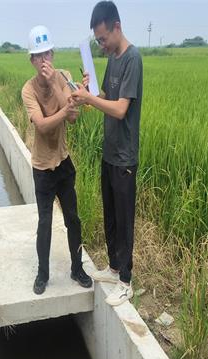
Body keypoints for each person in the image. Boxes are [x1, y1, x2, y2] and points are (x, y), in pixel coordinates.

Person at [71, 1, 143, 306]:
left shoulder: (132, 59)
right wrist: (88, 92)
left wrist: (90, 99)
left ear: (117, 27)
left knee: (124, 219)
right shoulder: (113, 58)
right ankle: (113, 268)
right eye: (97, 41)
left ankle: (125, 281)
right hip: (110, 151)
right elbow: (106, 97)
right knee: (111, 214)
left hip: (125, 156)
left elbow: (120, 108)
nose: (101, 45)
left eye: (103, 39)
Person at [21, 25, 93, 295]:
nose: (44, 61)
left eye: (47, 54)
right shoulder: (28, 90)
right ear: (32, 60)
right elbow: (41, 125)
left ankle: (77, 268)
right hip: (42, 167)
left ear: (53, 54)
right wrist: (66, 107)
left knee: (73, 218)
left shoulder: (64, 77)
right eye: (38, 56)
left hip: (63, 161)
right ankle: (42, 274)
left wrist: (57, 84)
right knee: (44, 223)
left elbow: (73, 118)